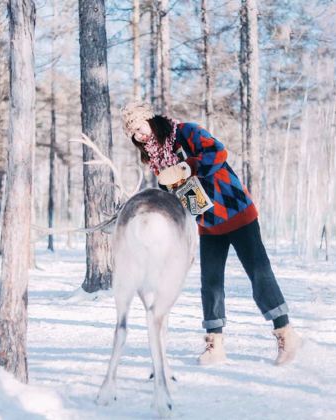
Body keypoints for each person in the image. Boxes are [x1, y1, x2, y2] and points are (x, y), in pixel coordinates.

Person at [120, 101, 302, 366]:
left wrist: (188, 166)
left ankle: (286, 332)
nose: (139, 134)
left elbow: (218, 152)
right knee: (211, 283)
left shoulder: (186, 132)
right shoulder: (157, 158)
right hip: (208, 221)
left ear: (150, 119)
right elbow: (183, 195)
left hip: (236, 210)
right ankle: (215, 344)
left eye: (139, 126)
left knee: (259, 274)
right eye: (133, 133)